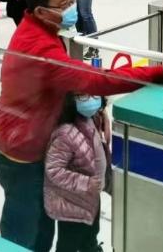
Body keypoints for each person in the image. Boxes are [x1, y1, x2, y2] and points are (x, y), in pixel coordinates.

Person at [0, 0, 163, 251]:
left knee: (43, 221)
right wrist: (160, 72)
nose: (72, 7)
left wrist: (92, 105)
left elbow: (63, 82)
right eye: (64, 4)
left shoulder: (42, 29)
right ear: (40, 11)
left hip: (31, 137)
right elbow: (97, 79)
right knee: (28, 232)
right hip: (21, 153)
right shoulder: (39, 47)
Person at [44, 93, 111, 252]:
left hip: (91, 198)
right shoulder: (65, 133)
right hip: (72, 206)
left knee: (91, 234)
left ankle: (91, 247)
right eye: (82, 96)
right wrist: (87, 183)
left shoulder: (93, 120)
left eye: (94, 94)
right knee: (69, 244)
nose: (91, 99)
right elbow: (54, 170)